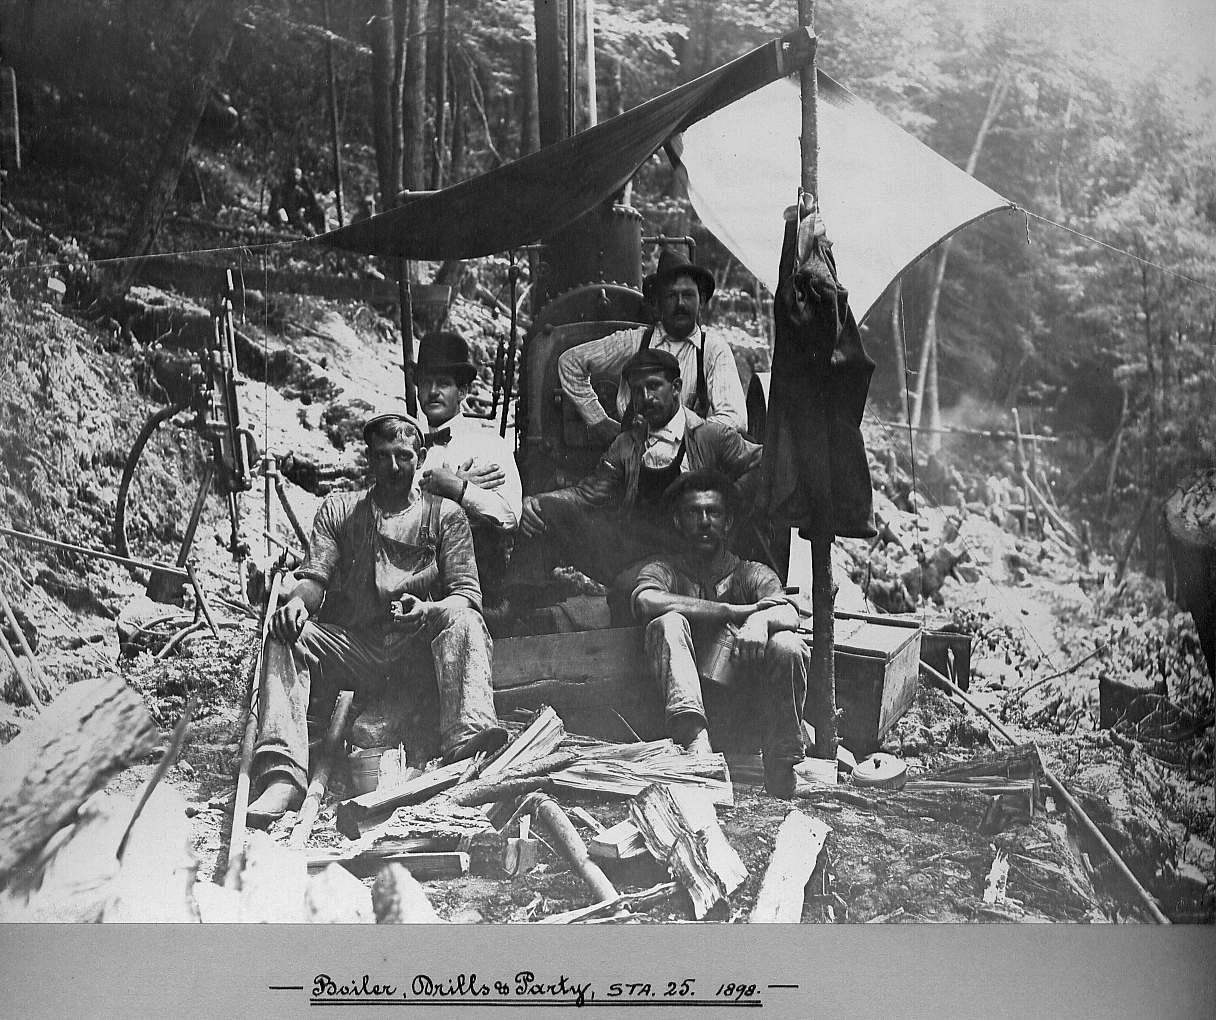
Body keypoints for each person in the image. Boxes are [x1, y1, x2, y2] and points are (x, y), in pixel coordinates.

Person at [245, 412, 507, 825]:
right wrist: (296, 604)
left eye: (404, 456)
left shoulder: (446, 516)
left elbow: (467, 598)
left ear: (421, 457)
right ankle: (283, 775)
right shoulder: (341, 511)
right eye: (383, 456)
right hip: (356, 651)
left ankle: (469, 747)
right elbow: (314, 580)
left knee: (466, 622)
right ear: (369, 458)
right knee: (283, 633)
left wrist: (428, 610)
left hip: (417, 655)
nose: (393, 467)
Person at [630, 470, 814, 798]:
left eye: (713, 513)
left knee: (788, 643)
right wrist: (729, 611)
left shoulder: (750, 573)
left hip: (745, 712)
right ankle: (697, 748)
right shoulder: (664, 571)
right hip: (684, 718)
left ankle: (782, 764)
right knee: (667, 622)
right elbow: (646, 600)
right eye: (693, 512)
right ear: (678, 521)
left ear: (727, 523)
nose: (704, 522)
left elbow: (788, 611)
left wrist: (759, 622)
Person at [520, 348, 760, 589]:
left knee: (627, 588)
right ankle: (516, 597)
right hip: (629, 548)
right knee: (541, 511)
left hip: (683, 556)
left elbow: (760, 461)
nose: (646, 397)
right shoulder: (627, 443)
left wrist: (731, 500)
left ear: (676, 387)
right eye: (637, 390)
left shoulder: (710, 436)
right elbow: (589, 493)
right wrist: (536, 501)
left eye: (654, 386)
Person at [557, 248, 748, 444]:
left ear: (702, 301)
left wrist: (679, 435)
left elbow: (734, 419)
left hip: (690, 453)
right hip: (636, 454)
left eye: (688, 295)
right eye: (671, 296)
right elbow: (570, 362)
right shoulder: (635, 341)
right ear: (657, 303)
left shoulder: (713, 350)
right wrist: (599, 421)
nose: (680, 304)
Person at [413, 331, 522, 610]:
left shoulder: (488, 444)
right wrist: (439, 495)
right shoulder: (406, 450)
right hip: (412, 583)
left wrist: (459, 489)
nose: (433, 391)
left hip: (474, 586)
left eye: (443, 383)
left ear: (462, 392)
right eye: (425, 382)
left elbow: (509, 517)